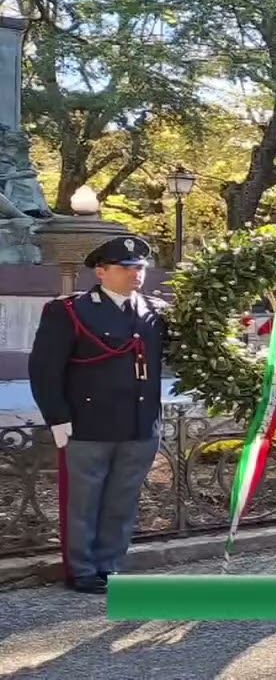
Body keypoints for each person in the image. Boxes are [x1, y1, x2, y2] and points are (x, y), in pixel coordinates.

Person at [27, 236, 167, 594]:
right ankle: (83, 568)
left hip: (139, 424)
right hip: (88, 424)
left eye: (140, 268)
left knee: (123, 498)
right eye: (126, 268)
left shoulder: (154, 311)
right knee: (84, 501)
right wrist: (58, 419)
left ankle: (110, 565)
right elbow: (45, 369)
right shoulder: (71, 311)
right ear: (101, 272)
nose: (136, 274)